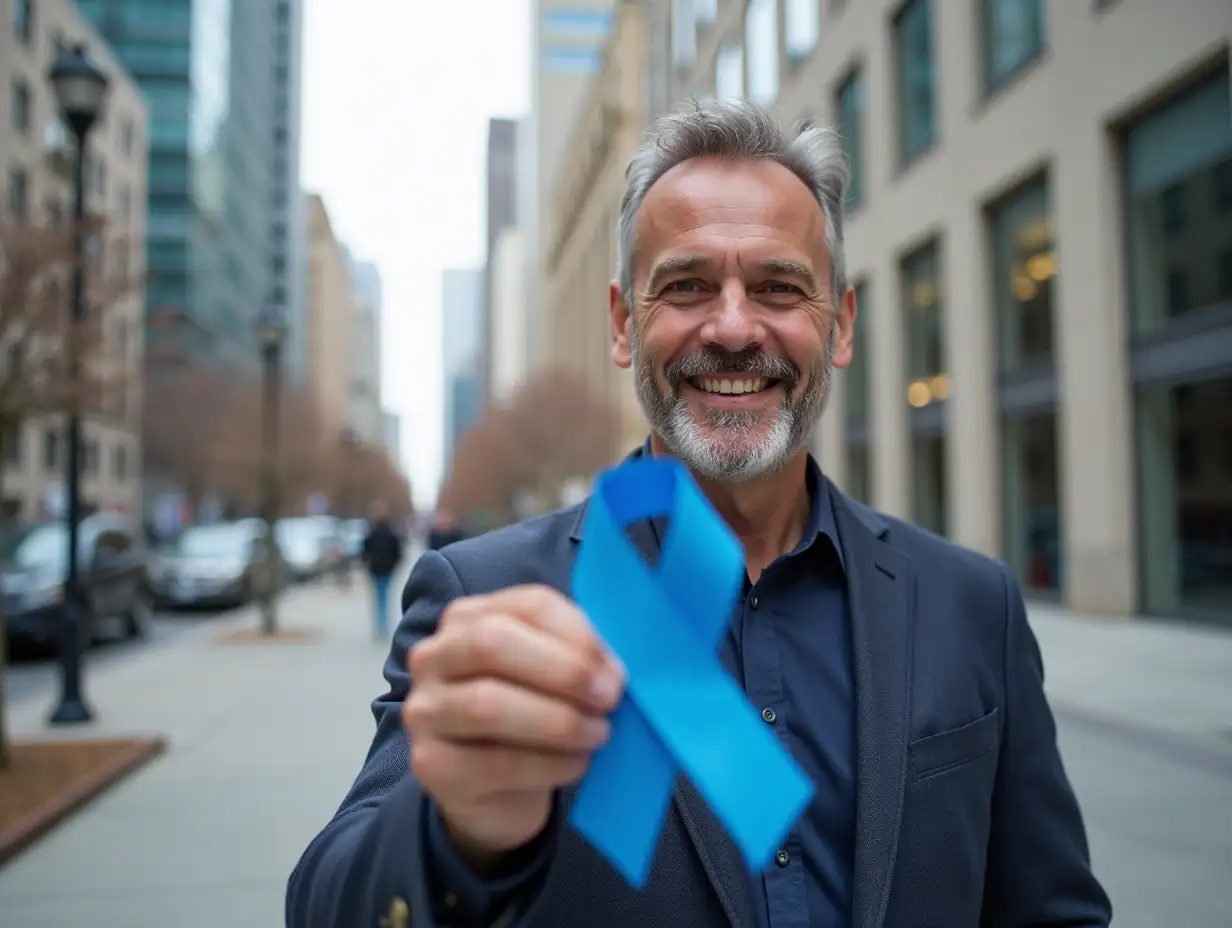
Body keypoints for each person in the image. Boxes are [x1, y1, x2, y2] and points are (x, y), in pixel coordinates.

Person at [287, 101, 1111, 928]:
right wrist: (452, 835)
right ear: (623, 323)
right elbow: (331, 907)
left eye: (778, 287)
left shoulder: (971, 604)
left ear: (842, 325)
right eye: (685, 286)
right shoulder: (488, 599)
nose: (731, 326)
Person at [360, 502, 404, 640]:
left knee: (379, 598)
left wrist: (368, 565)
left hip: (378, 570)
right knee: (383, 598)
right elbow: (399, 554)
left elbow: (364, 552)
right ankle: (382, 627)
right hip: (383, 570)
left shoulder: (372, 533)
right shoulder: (391, 533)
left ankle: (381, 626)